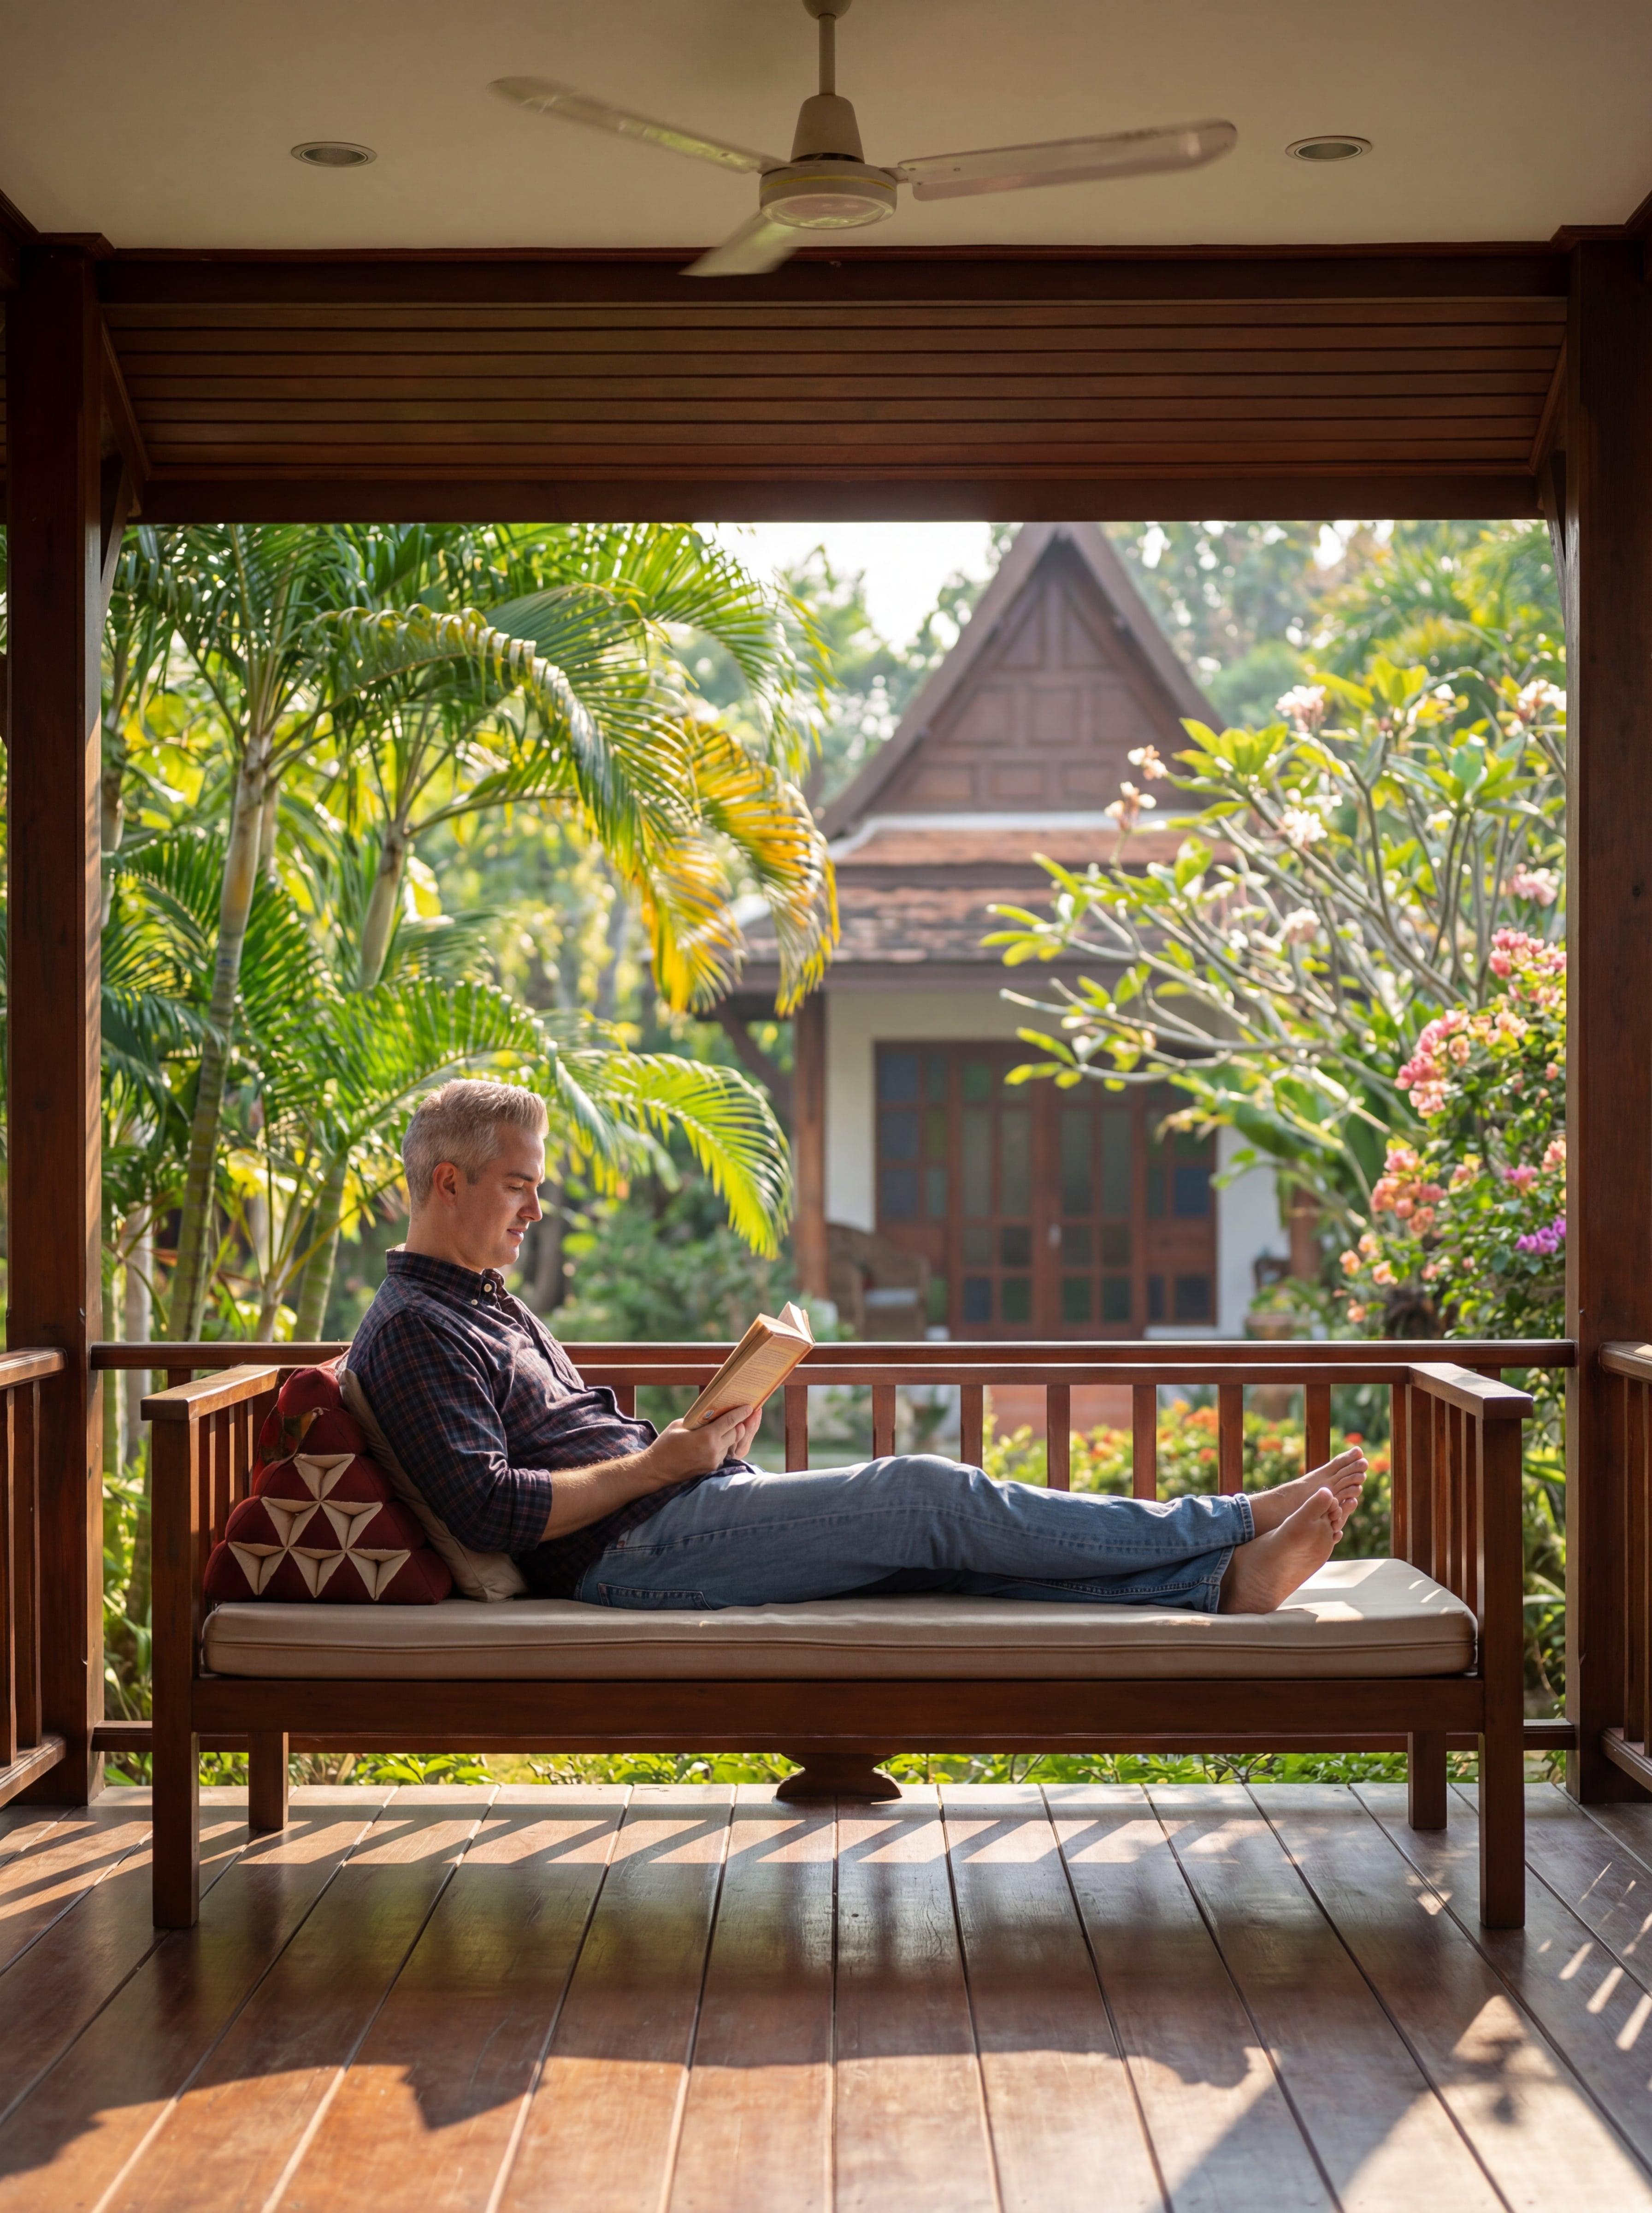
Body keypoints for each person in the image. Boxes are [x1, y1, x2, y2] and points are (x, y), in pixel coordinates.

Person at [349, 1080, 1368, 1616]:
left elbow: (566, 1444)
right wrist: (664, 1463)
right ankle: (1229, 1518)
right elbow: (489, 1504)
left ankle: (1213, 1586)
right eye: (522, 1186)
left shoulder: (487, 1302)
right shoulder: (412, 1330)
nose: (536, 1209)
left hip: (673, 1514)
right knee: (927, 1494)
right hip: (627, 1557)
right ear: (449, 1184)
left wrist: (706, 1436)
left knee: (941, 1552)